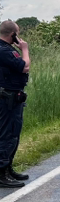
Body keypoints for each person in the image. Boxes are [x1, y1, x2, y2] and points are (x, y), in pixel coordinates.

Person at [0, 20, 30, 187]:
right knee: (7, 134)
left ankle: (8, 168)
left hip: (12, 97)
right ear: (13, 35)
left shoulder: (6, 49)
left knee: (13, 134)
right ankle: (1, 173)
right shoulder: (4, 50)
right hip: (7, 99)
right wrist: (24, 49)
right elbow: (24, 67)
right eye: (17, 34)